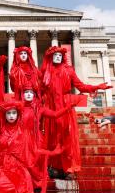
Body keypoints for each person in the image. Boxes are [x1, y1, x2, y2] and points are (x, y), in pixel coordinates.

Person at [41, 46, 113, 178]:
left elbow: (81, 86)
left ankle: (69, 168)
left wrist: (97, 86)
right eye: (55, 55)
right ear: (51, 57)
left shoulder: (69, 71)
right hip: (51, 107)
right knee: (53, 138)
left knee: (67, 137)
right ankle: (56, 167)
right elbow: (38, 90)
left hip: (65, 105)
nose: (58, 57)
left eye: (60, 55)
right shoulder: (46, 72)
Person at [0, 100, 61, 193]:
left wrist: (51, 153)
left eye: (14, 113)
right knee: (1, 186)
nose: (11, 116)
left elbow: (33, 150)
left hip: (19, 167)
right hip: (1, 167)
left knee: (22, 188)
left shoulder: (24, 132)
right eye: (8, 113)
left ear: (18, 114)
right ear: (5, 115)